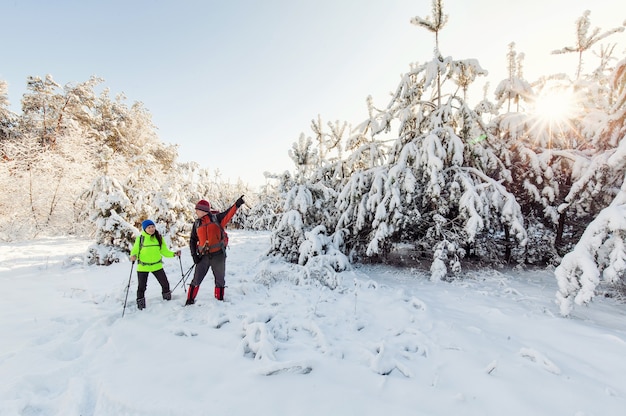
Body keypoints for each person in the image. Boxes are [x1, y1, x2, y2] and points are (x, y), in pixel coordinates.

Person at [186, 196, 244, 305]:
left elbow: (229, 213)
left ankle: (219, 301)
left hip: (218, 255)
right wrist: (194, 255)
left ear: (203, 211)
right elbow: (193, 240)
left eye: (197, 210)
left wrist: (237, 204)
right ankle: (189, 300)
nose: (196, 212)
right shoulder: (197, 224)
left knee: (220, 280)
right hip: (203, 256)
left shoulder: (217, 218)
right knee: (196, 279)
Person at [130, 219, 181, 310]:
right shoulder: (140, 238)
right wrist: (133, 256)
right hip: (143, 267)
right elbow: (135, 251)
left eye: (153, 227)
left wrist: (174, 254)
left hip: (157, 265)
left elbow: (164, 251)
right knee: (142, 287)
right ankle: (141, 306)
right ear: (145, 229)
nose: (151, 229)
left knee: (165, 284)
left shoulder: (158, 238)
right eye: (149, 227)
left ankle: (167, 301)